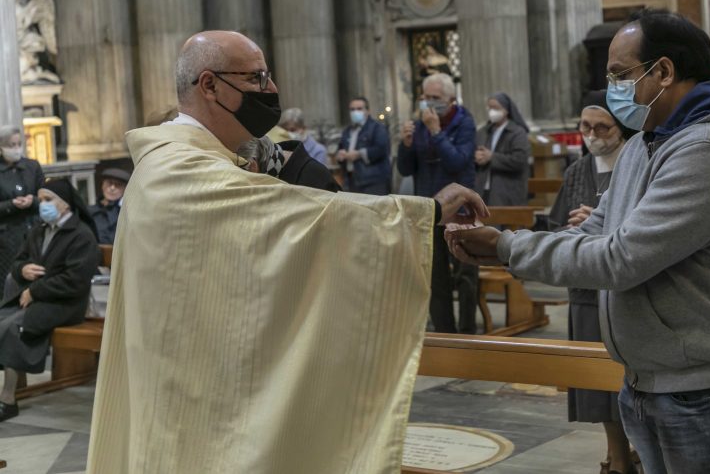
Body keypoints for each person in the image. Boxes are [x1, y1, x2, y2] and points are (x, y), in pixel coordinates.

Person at [86, 31, 487, 473]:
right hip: (191, 384)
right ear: (209, 85)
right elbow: (307, 218)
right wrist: (426, 212)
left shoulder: (213, 159)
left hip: (205, 365)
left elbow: (308, 206)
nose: (271, 89)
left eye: (269, 76)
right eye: (257, 78)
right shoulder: (180, 171)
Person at [448, 10, 710, 474]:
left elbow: (622, 258)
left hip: (703, 387)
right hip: (647, 375)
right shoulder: (646, 142)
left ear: (663, 71)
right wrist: (508, 245)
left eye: (622, 75)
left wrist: (506, 247)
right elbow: (595, 229)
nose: (614, 89)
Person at [548, 90, 637, 474]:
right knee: (598, 381)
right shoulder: (576, 171)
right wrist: (570, 226)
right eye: (585, 126)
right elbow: (552, 225)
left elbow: (649, 228)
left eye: (602, 126)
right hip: (585, 287)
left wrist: (603, 222)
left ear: (620, 127)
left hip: (626, 288)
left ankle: (638, 451)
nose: (592, 134)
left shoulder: (638, 164)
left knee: (630, 377)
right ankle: (616, 454)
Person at [0, 178, 100, 421]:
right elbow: (18, 261)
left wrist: (35, 291)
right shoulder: (39, 230)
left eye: (48, 200)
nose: (42, 205)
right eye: (41, 200)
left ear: (65, 205)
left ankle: (7, 399)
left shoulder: (81, 235)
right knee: (1, 320)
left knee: (14, 328)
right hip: (36, 299)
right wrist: (22, 269)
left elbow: (74, 281)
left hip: (66, 304)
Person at [397, 72, 477, 334]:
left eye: (435, 98)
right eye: (425, 97)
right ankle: (446, 334)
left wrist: (436, 131)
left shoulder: (464, 122)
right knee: (435, 276)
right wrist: (406, 145)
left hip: (460, 210)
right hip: (428, 209)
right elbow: (406, 168)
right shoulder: (419, 125)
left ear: (451, 99)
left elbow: (457, 162)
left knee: (465, 275)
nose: (428, 103)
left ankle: (467, 334)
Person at [0, 125, 44, 279]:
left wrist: (33, 201)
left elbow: (46, 196)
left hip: (34, 230)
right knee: (9, 281)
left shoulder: (32, 166)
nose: (17, 149)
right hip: (6, 238)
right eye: (11, 145)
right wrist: (12, 205)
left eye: (19, 144)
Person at [474, 92, 530, 206]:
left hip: (507, 190)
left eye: (495, 108)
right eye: (489, 107)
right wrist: (476, 157)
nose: (491, 111)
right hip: (483, 189)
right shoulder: (483, 132)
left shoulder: (517, 132)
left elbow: (519, 160)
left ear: (506, 110)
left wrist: (492, 157)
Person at [337, 97, 391, 195]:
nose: (355, 112)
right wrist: (341, 155)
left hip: (373, 182)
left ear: (368, 111)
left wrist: (359, 154)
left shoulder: (377, 128)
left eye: (359, 109)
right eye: (352, 109)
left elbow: (381, 149)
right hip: (351, 181)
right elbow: (341, 148)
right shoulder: (347, 130)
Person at [89, 167, 130, 245]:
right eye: (109, 183)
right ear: (102, 185)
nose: (112, 188)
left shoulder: (127, 213)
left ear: (125, 189)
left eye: (118, 185)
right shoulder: (91, 210)